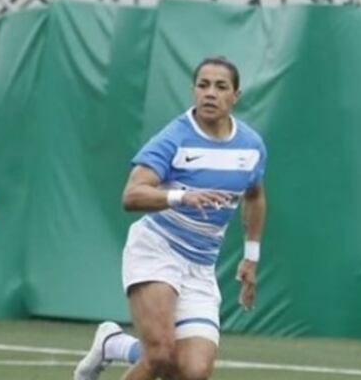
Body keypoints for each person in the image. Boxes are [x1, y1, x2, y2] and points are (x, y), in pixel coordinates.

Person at [73, 57, 267, 380]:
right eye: (203, 85)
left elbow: (255, 196)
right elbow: (131, 194)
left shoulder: (251, 146)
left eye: (221, 87)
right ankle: (118, 345)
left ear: (236, 95)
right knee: (160, 356)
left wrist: (250, 257)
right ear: (193, 91)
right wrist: (180, 196)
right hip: (157, 249)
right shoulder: (174, 138)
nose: (210, 93)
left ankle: (113, 344)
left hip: (201, 266)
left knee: (193, 371)